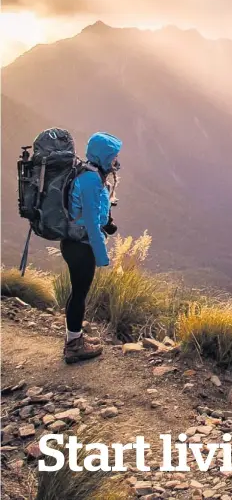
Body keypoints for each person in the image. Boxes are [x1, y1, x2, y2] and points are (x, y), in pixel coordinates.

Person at [61, 132, 123, 364]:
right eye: (114, 156)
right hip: (81, 245)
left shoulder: (91, 175)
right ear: (104, 156)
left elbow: (95, 212)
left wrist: (108, 221)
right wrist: (102, 257)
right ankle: (74, 347)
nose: (116, 161)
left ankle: (74, 338)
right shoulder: (90, 180)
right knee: (79, 294)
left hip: (75, 243)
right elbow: (89, 220)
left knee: (77, 292)